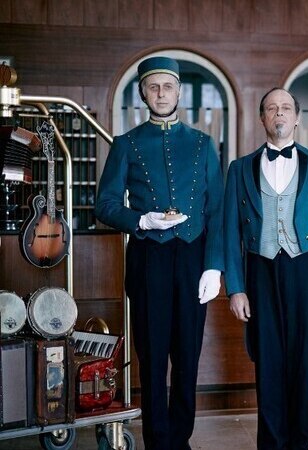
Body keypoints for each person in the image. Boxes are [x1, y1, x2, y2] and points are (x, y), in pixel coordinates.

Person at [96, 56, 224, 450]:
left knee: (187, 358)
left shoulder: (203, 144)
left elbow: (217, 211)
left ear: (179, 92)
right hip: (148, 259)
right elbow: (105, 204)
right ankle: (157, 441)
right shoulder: (126, 144)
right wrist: (141, 220)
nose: (161, 94)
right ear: (143, 93)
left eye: (168, 87)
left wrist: (214, 266)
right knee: (151, 359)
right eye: (153, 87)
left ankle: (180, 440)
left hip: (192, 259)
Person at [223, 87, 308, 450]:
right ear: (262, 118)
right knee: (268, 361)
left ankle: (301, 443)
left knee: (306, 363)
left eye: (286, 108)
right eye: (272, 108)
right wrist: (236, 288)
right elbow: (229, 232)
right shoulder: (239, 168)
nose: (279, 113)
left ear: (296, 118)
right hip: (259, 269)